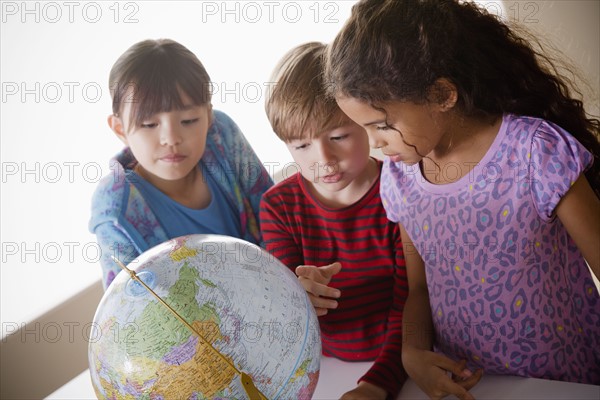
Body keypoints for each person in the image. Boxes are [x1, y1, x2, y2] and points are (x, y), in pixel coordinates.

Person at [326, 0, 600, 397]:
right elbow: (419, 288)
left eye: (383, 126)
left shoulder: (534, 152)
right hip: (468, 385)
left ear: (442, 94)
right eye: (364, 128)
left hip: (561, 383)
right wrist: (412, 352)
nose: (374, 144)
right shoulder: (401, 177)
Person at [259, 42, 409, 399]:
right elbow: (286, 314)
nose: (323, 159)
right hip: (324, 369)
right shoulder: (279, 207)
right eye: (301, 146)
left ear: (366, 122)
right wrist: (299, 295)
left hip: (401, 362)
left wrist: (376, 386)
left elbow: (412, 304)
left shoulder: (402, 191)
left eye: (339, 137)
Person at [89, 39, 273, 290]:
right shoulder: (115, 209)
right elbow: (127, 307)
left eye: (188, 120)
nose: (171, 138)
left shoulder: (221, 136)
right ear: (120, 129)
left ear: (208, 116)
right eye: (149, 125)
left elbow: (274, 216)